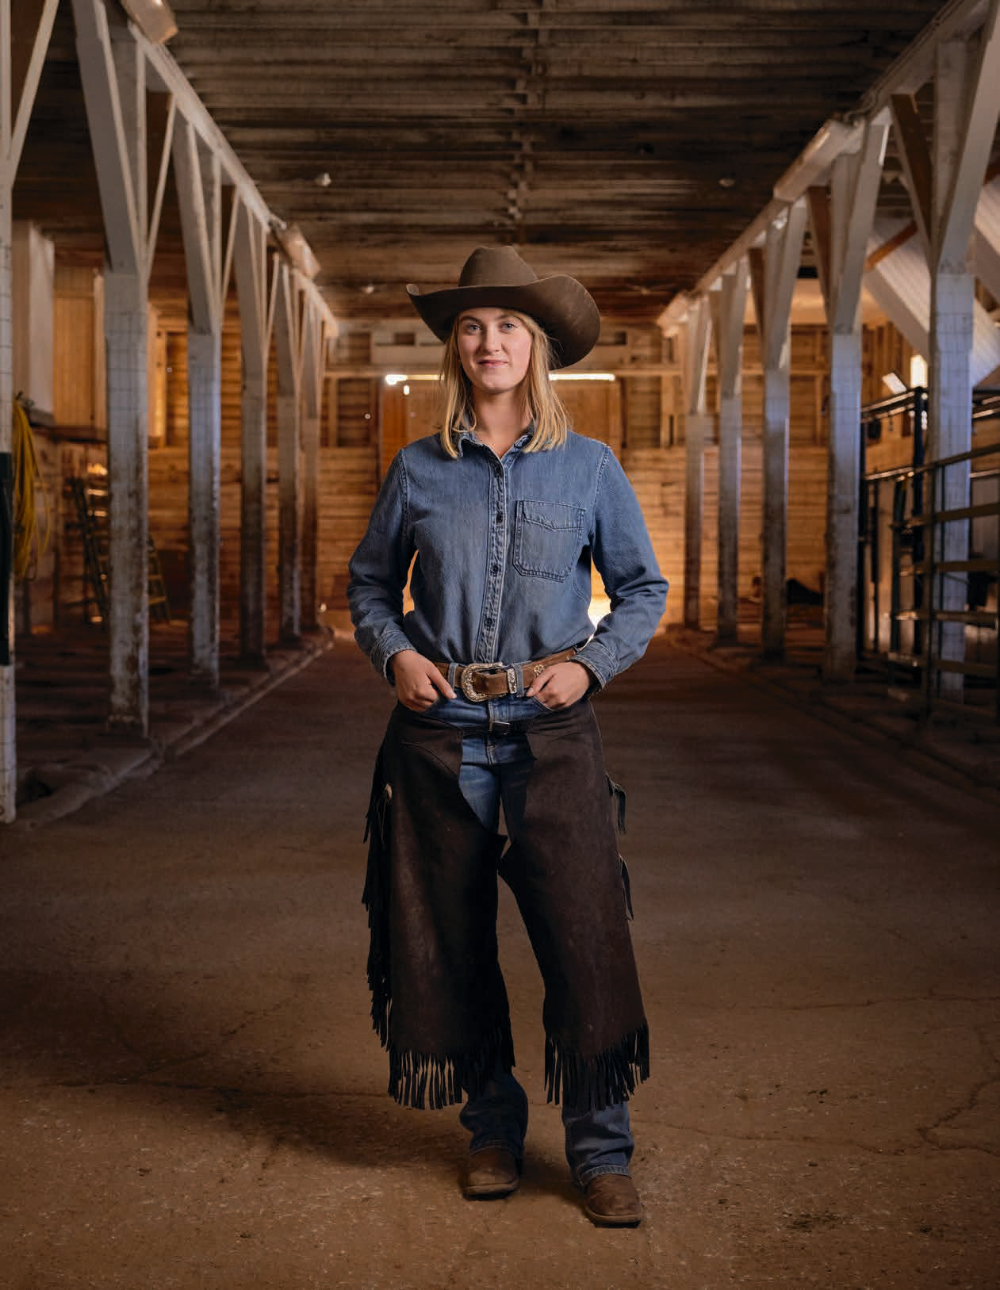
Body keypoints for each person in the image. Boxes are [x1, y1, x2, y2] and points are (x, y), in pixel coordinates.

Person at [348, 245, 668, 1227]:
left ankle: (599, 1149)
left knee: (583, 937)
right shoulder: (417, 469)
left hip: (550, 729)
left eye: (509, 327)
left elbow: (643, 589)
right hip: (438, 732)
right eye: (473, 327)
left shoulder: (590, 468)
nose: (490, 342)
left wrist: (590, 666)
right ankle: (490, 1128)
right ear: (456, 346)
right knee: (447, 940)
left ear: (538, 347)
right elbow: (370, 586)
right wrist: (395, 656)